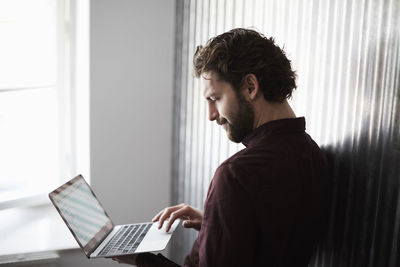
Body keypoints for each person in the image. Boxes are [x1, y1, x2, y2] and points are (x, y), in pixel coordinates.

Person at [111, 28, 330, 267]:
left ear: (249, 86)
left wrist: (142, 260)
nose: (211, 115)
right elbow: (273, 239)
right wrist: (215, 225)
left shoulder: (235, 175)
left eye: (215, 98)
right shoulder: (312, 153)